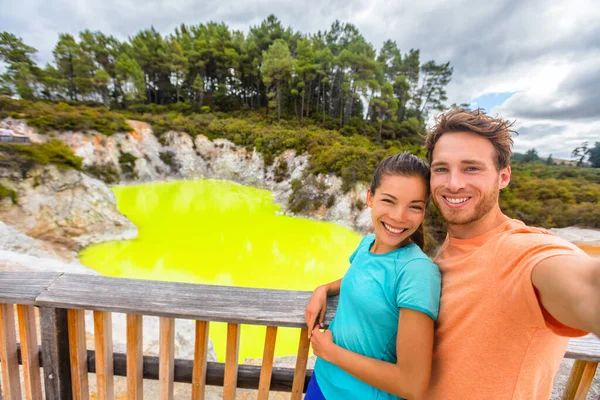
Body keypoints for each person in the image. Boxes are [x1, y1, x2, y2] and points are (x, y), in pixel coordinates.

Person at [424, 108, 600, 399]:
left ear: (503, 176)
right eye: (441, 168)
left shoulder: (521, 251)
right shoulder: (449, 249)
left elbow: (587, 286)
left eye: (471, 168)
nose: (453, 183)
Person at [304, 152, 442, 400]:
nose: (399, 216)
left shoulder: (417, 271)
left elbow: (412, 385)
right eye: (389, 201)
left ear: (424, 212)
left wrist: (329, 352)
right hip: (324, 380)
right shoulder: (367, 245)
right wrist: (324, 289)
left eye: (415, 207)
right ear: (370, 197)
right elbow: (360, 281)